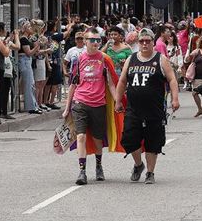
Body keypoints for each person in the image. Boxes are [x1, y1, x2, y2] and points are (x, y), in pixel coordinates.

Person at [114, 28, 180, 185]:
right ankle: (138, 164)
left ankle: (150, 172)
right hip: (134, 108)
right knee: (129, 139)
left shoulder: (160, 59)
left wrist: (175, 99)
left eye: (147, 41)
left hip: (154, 109)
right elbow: (122, 81)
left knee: (153, 141)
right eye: (141, 41)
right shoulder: (131, 59)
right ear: (138, 43)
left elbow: (171, 79)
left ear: (152, 42)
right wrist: (117, 100)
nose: (144, 44)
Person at [63, 31, 121, 185]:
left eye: (98, 40)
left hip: (98, 104)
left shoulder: (104, 60)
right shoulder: (78, 60)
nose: (95, 43)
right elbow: (73, 85)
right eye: (92, 40)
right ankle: (82, 171)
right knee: (81, 136)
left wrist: (117, 101)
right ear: (85, 41)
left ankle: (98, 165)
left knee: (97, 139)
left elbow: (111, 84)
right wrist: (67, 107)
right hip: (80, 102)